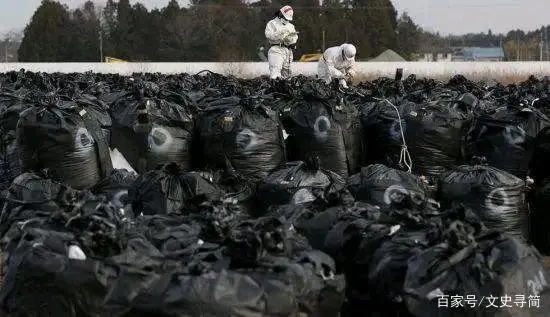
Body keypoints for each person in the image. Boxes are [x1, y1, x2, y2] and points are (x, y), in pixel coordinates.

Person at [265, 5, 298, 79]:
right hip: (276, 49)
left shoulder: (290, 26)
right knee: (275, 74)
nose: (286, 20)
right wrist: (280, 33)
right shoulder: (272, 23)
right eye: (285, 18)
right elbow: (269, 36)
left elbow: (295, 37)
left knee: (287, 76)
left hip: (288, 51)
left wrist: (290, 39)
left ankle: (284, 90)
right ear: (281, 14)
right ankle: (275, 90)